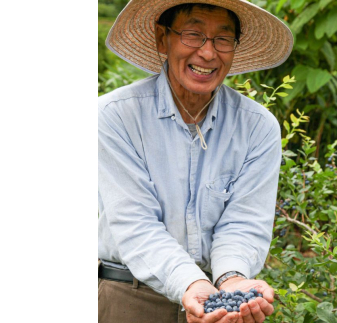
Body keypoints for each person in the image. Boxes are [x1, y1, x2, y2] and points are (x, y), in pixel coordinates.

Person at [98, 0, 293, 322]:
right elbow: (135, 222)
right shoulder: (115, 116)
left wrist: (232, 280)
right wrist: (191, 283)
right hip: (128, 298)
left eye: (223, 39)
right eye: (193, 34)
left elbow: (244, 221)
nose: (207, 53)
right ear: (163, 38)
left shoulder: (257, 126)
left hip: (218, 301)